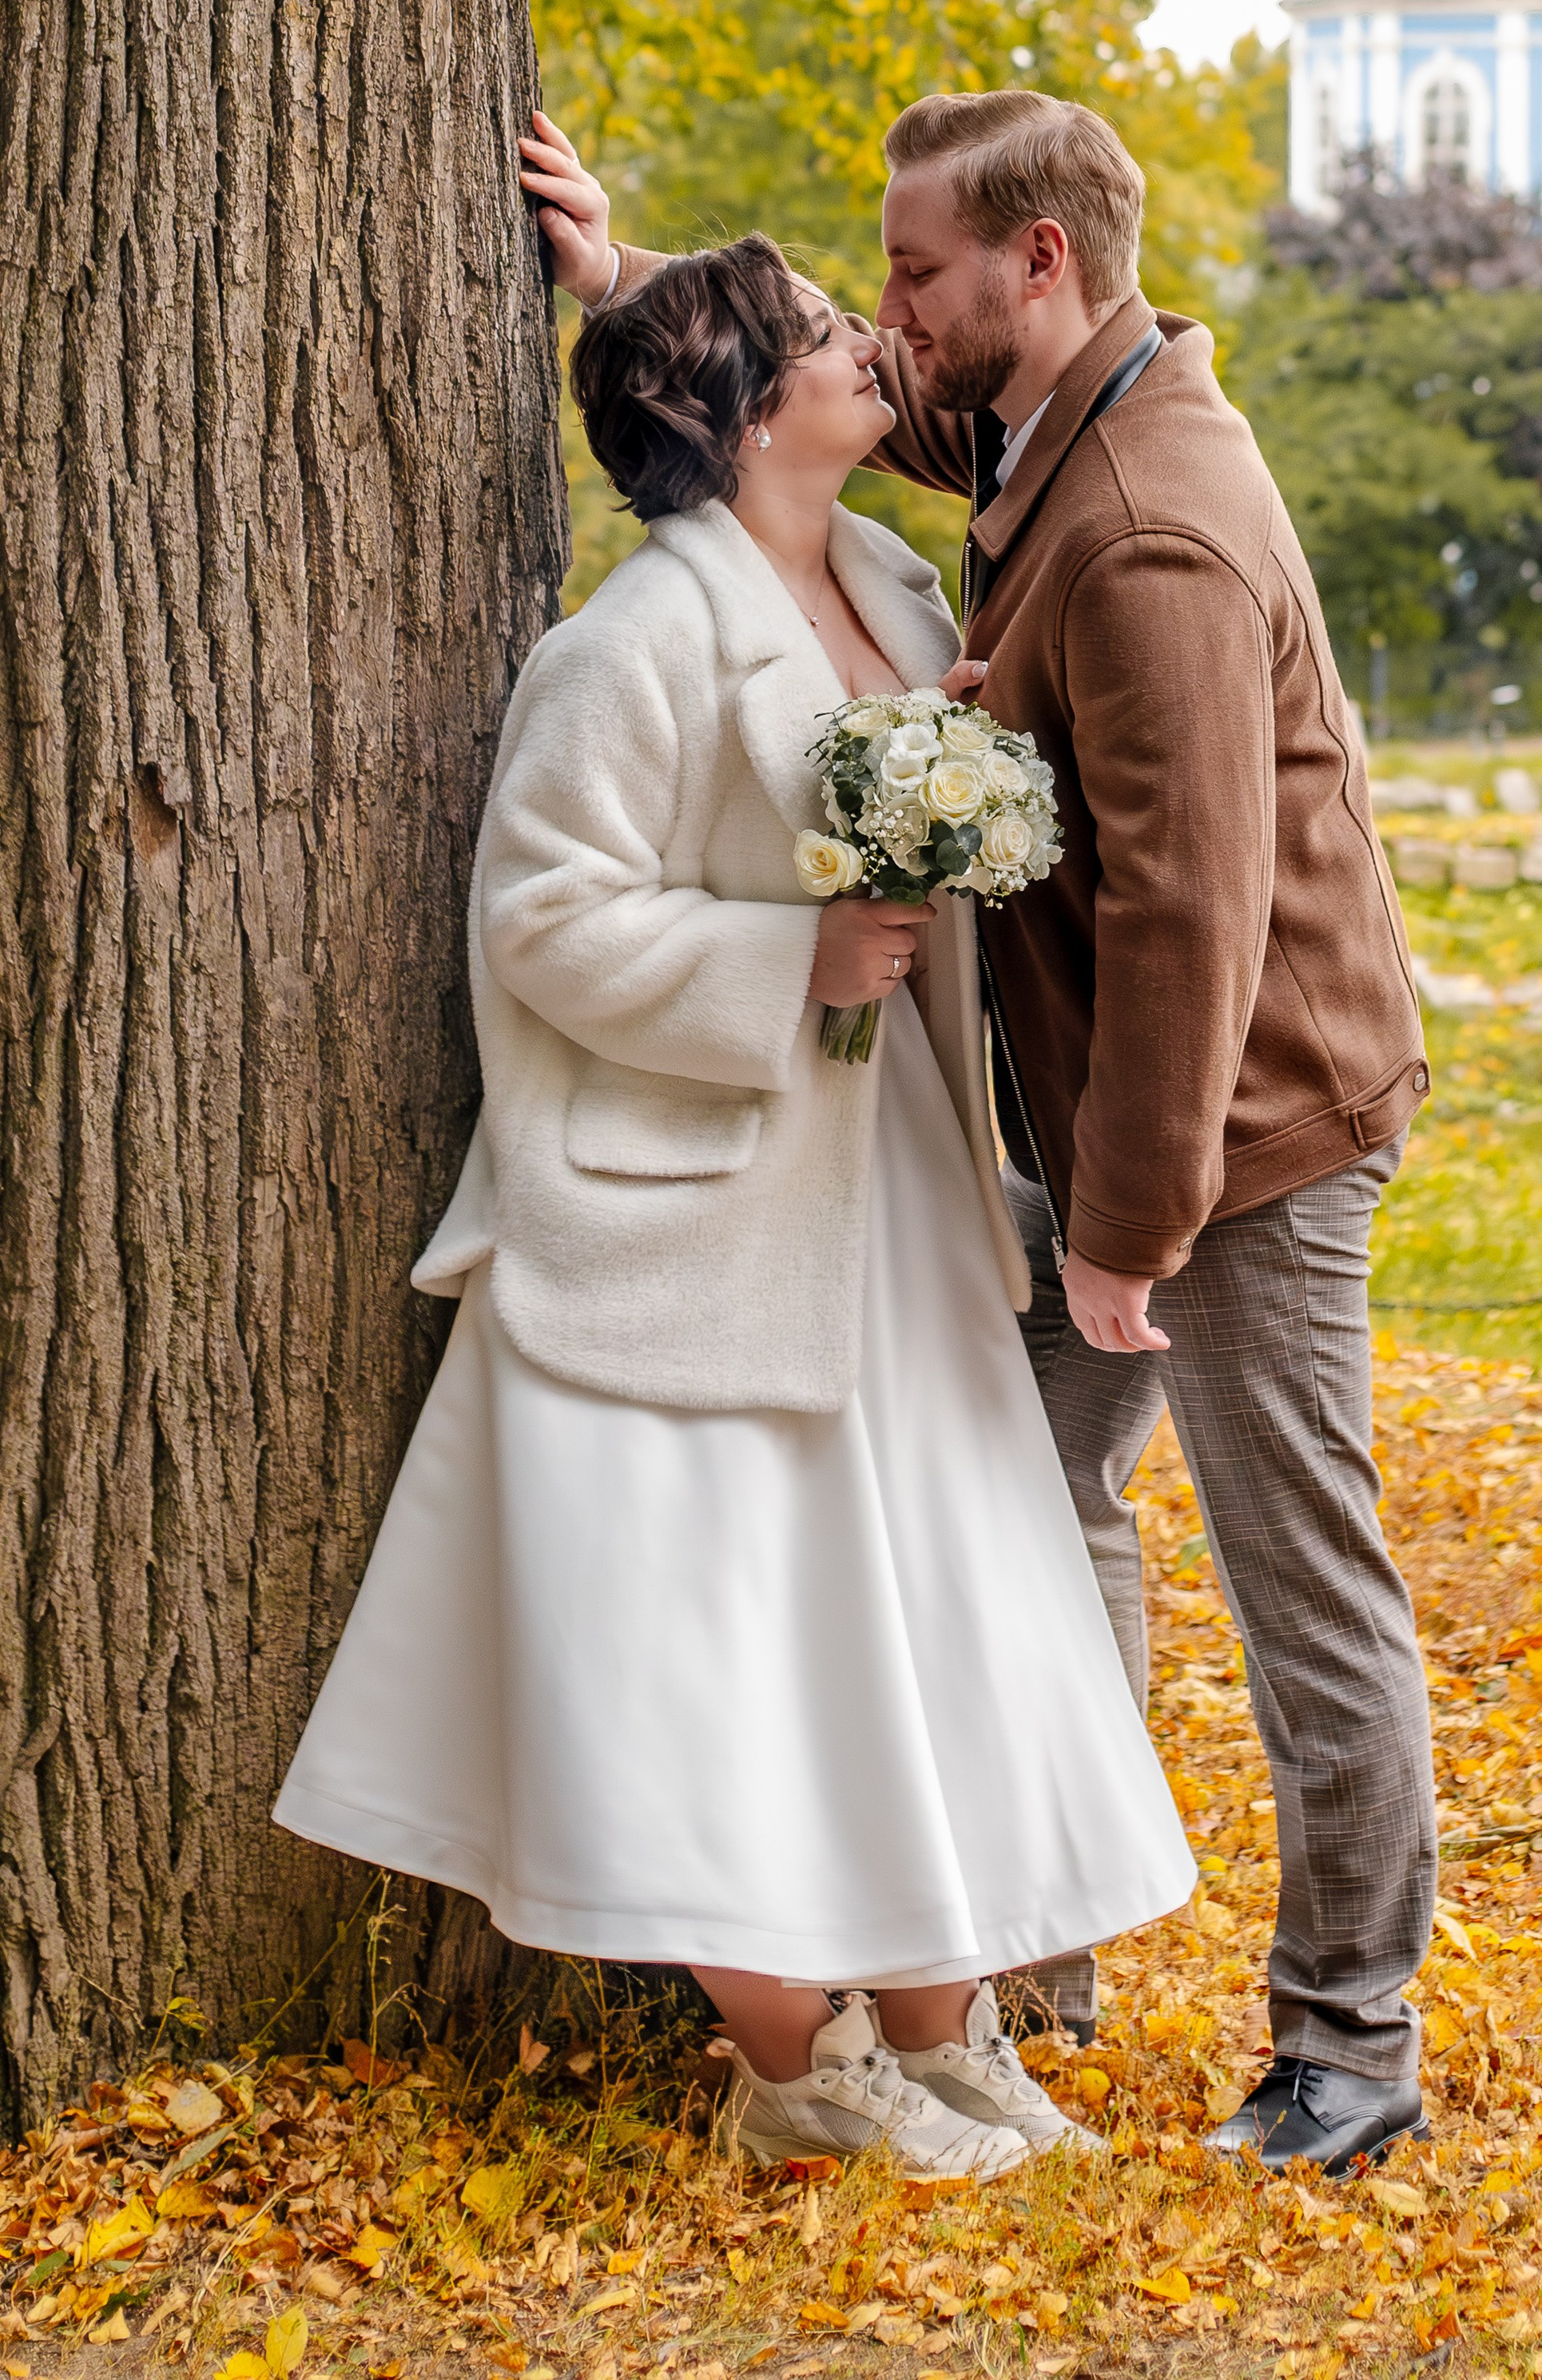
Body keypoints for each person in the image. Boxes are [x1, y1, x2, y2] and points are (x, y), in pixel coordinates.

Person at [524, 92, 1438, 2177]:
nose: (890, 313)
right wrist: (625, 281)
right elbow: (818, 413)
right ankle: (1033, 1955)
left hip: (1246, 1136)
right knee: (1025, 1501)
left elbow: (1195, 922)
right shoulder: (1051, 416)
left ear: (1041, 260)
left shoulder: (1148, 527)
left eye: (915, 270)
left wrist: (1125, 1231)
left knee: (1304, 1582)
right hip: (1126, 1118)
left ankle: (1348, 2051)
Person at [273, 232, 1194, 2179]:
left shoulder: (887, 582)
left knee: (927, 1610)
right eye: (822, 335)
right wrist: (787, 960)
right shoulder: (630, 641)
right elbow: (541, 914)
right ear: (744, 413)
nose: (869, 345)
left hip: (897, 1186)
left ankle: (941, 2033)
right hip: (697, 1210)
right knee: (723, 1649)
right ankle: (799, 2068)